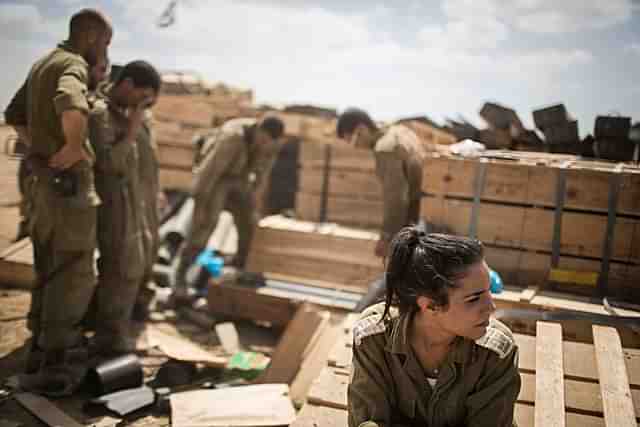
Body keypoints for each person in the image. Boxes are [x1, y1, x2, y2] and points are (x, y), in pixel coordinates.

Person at [3, 8, 112, 396]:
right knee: (75, 270)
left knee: (48, 265)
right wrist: (69, 146)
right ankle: (56, 363)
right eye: (105, 43)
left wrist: (40, 149)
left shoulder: (40, 65)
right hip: (70, 190)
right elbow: (71, 101)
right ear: (90, 38)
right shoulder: (71, 65)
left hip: (44, 187)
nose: (105, 52)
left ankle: (40, 348)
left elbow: (14, 114)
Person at [348, 227, 520, 427]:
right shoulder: (374, 338)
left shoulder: (494, 352)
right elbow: (367, 423)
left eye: (488, 292)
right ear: (429, 305)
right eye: (474, 299)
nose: (491, 307)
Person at [88, 60, 161, 354]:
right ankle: (108, 338)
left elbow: (142, 163)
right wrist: (132, 128)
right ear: (127, 85)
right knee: (120, 268)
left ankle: (114, 329)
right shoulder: (100, 114)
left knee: (132, 265)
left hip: (133, 201)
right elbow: (108, 164)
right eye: (141, 98)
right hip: (113, 202)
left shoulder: (128, 114)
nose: (142, 106)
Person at [173, 116, 285, 300]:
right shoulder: (232, 138)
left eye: (269, 143)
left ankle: (241, 270)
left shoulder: (271, 145)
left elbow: (262, 177)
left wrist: (253, 205)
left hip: (240, 178)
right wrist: (199, 209)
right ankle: (180, 277)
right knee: (205, 225)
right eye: (263, 140)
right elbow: (207, 175)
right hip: (217, 178)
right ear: (258, 130)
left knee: (250, 222)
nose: (265, 146)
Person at [337, 109, 427, 257]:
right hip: (423, 216)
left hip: (416, 223)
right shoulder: (400, 131)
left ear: (361, 129)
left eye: (351, 140)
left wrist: (387, 237)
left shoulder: (385, 149)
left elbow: (396, 198)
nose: (354, 147)